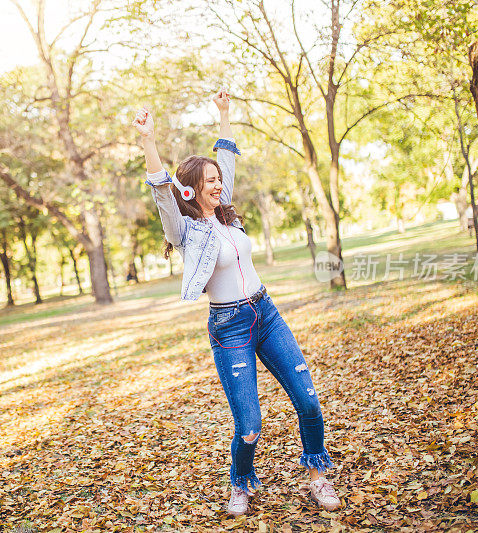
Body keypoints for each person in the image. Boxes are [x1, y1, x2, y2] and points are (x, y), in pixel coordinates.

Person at [131, 90, 341, 516]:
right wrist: (148, 142)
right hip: (229, 327)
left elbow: (226, 159)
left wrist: (225, 115)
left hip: (266, 313)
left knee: (309, 402)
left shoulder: (227, 213)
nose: (218, 184)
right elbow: (161, 194)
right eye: (209, 181)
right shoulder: (183, 231)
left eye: (217, 179)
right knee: (250, 427)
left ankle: (318, 475)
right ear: (190, 191)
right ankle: (241, 482)